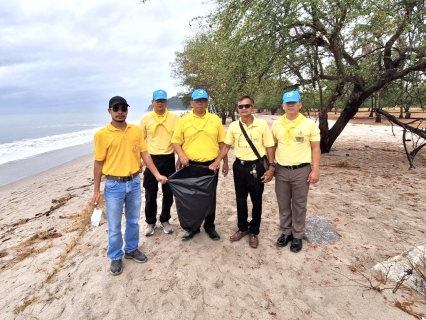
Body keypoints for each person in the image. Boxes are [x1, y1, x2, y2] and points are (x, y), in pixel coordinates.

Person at [92, 96, 168, 276]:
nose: (120, 112)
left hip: (134, 183)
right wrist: (96, 190)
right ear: (109, 111)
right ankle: (115, 256)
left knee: (133, 220)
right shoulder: (101, 135)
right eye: (116, 108)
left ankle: (131, 249)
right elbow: (98, 163)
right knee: (114, 225)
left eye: (123, 108)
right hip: (113, 185)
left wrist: (157, 174)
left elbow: (145, 154)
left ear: (127, 110)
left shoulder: (135, 131)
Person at [209, 95, 275, 248]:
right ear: (237, 109)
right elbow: (226, 146)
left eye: (247, 106)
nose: (243, 109)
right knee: (240, 199)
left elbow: (270, 146)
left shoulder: (262, 125)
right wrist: (218, 161)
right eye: (241, 106)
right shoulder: (233, 126)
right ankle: (243, 228)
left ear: (252, 107)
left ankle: (254, 231)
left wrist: (271, 167)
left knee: (256, 199)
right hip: (239, 166)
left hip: (256, 167)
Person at [171, 88, 228, 241]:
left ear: (207, 102)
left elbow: (222, 143)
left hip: (211, 166)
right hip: (190, 165)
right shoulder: (183, 120)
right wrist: (181, 155)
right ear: (191, 102)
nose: (200, 103)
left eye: (203, 100)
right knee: (190, 198)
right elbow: (176, 141)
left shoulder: (215, 119)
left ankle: (210, 226)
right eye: (197, 100)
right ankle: (192, 227)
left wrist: (224, 163)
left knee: (210, 198)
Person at [272, 90, 320, 253]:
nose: (290, 105)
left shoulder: (309, 124)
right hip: (281, 170)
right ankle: (286, 232)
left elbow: (316, 148)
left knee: (300, 204)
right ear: (283, 106)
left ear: (300, 104)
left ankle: (298, 235)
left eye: (294, 102)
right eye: (287, 103)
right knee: (283, 203)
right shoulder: (277, 124)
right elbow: (273, 146)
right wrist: (271, 166)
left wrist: (315, 170)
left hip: (302, 170)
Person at [140, 89, 179, 236]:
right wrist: (139, 160)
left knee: (169, 193)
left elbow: (179, 138)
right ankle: (150, 222)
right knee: (150, 194)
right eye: (157, 101)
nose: (160, 103)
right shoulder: (146, 119)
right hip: (152, 159)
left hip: (169, 158)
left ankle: (165, 219)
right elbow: (140, 141)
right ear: (153, 102)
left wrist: (180, 157)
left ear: (166, 102)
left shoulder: (175, 118)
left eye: (163, 100)